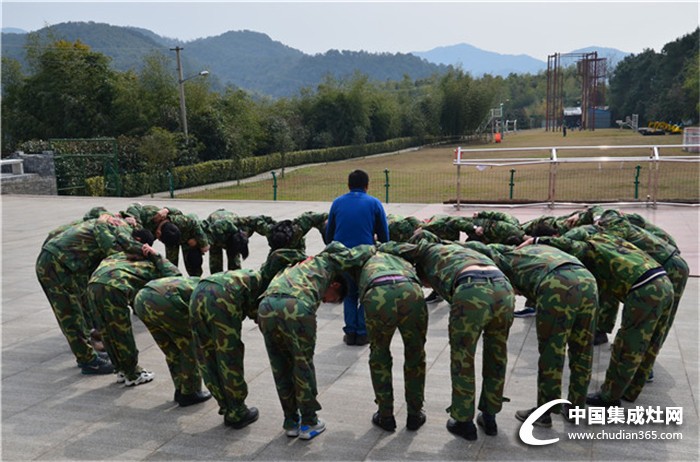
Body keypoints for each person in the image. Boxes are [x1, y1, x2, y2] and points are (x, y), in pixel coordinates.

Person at [379, 231, 515, 441]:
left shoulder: (426, 249)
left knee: (463, 357)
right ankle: (489, 417)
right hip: (503, 288)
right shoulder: (459, 248)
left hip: (471, 288)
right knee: (497, 353)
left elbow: (394, 247)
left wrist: (376, 248)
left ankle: (464, 422)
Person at [520, 224, 674, 406]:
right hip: (665, 282)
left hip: (645, 290)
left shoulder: (590, 247)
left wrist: (536, 241)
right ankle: (631, 390)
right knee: (650, 344)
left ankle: (609, 397)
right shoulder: (609, 239)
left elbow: (571, 245)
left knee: (628, 346)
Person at [467, 241, 597, 426]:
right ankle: (576, 408)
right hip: (588, 280)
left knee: (552, 351)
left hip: (558, 284)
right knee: (583, 349)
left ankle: (544, 413)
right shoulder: (528, 253)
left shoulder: (502, 261)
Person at [258, 242, 375, 440]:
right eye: (329, 298)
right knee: (302, 365)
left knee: (280, 366)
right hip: (296, 305)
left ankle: (291, 422)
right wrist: (377, 247)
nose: (324, 301)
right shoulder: (328, 262)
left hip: (266, 305)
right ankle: (309, 423)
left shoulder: (301, 264)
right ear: (335, 284)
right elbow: (357, 252)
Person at [188, 249, 306, 428]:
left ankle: (226, 407)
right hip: (222, 298)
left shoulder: (254, 275)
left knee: (207, 354)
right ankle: (237, 412)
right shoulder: (267, 285)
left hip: (199, 293)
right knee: (229, 356)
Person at [36, 215, 148, 375]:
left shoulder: (117, 225)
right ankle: (88, 361)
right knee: (71, 315)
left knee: (82, 307)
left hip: (67, 262)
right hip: (56, 263)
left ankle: (90, 350)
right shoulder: (121, 232)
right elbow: (111, 252)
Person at [86, 239, 181, 387]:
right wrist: (157, 256)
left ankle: (121, 370)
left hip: (93, 286)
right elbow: (176, 276)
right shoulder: (149, 265)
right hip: (113, 289)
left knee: (108, 332)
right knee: (122, 334)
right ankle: (133, 374)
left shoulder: (116, 257)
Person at [358, 251, 428, 432]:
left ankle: (385, 415)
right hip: (411, 291)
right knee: (415, 354)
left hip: (377, 292)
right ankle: (414, 414)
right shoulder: (402, 255)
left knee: (379, 355)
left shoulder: (367, 256)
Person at [326, 170, 389, 346]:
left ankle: (350, 332)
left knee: (349, 293)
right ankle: (362, 332)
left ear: (348, 185)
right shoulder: (374, 203)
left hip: (342, 257)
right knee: (366, 293)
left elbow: (329, 233)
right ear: (367, 186)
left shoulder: (337, 203)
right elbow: (384, 234)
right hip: (364, 257)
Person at [133, 275, 211, 406]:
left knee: (171, 348)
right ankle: (190, 392)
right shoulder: (211, 293)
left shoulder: (198, 282)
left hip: (141, 299)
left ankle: (180, 389)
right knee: (189, 346)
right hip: (161, 302)